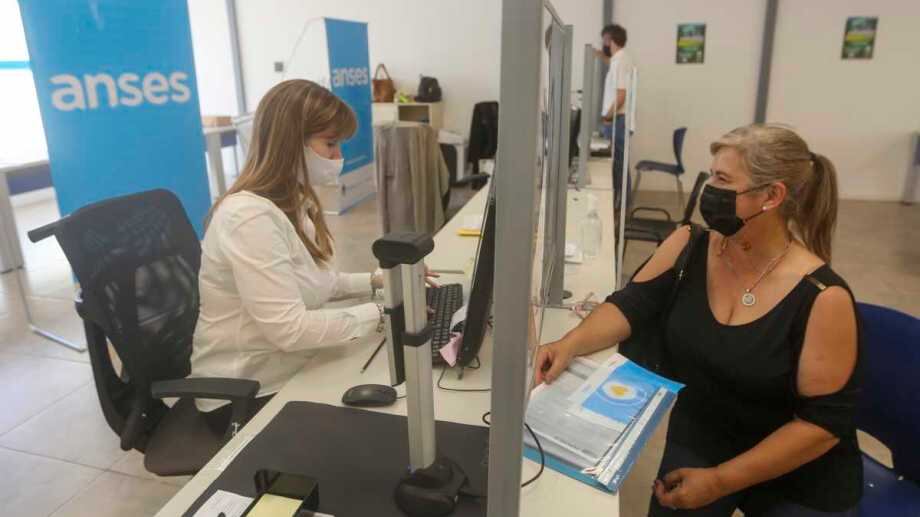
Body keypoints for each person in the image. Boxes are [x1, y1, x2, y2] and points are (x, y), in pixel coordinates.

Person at [536, 124, 862, 516]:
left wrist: (722, 480)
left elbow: (822, 425)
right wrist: (568, 344)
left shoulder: (823, 297)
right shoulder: (689, 245)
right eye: (710, 174)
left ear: (772, 196)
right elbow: (632, 304)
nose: (710, 189)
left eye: (723, 179)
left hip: (795, 469)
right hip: (704, 432)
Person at [190, 80, 436, 429]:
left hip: (288, 366)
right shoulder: (248, 217)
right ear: (290, 144)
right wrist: (385, 313)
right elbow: (289, 330)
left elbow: (319, 283)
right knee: (382, 423)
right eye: (330, 144)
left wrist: (380, 281)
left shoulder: (292, 201)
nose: (339, 157)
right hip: (245, 391)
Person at [597, 23, 635, 209]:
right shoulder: (619, 59)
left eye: (604, 40)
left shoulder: (620, 62)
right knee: (620, 164)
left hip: (616, 121)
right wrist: (600, 56)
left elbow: (620, 95)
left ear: (609, 40)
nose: (603, 43)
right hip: (617, 120)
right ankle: (621, 205)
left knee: (618, 166)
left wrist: (607, 117)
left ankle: (620, 207)